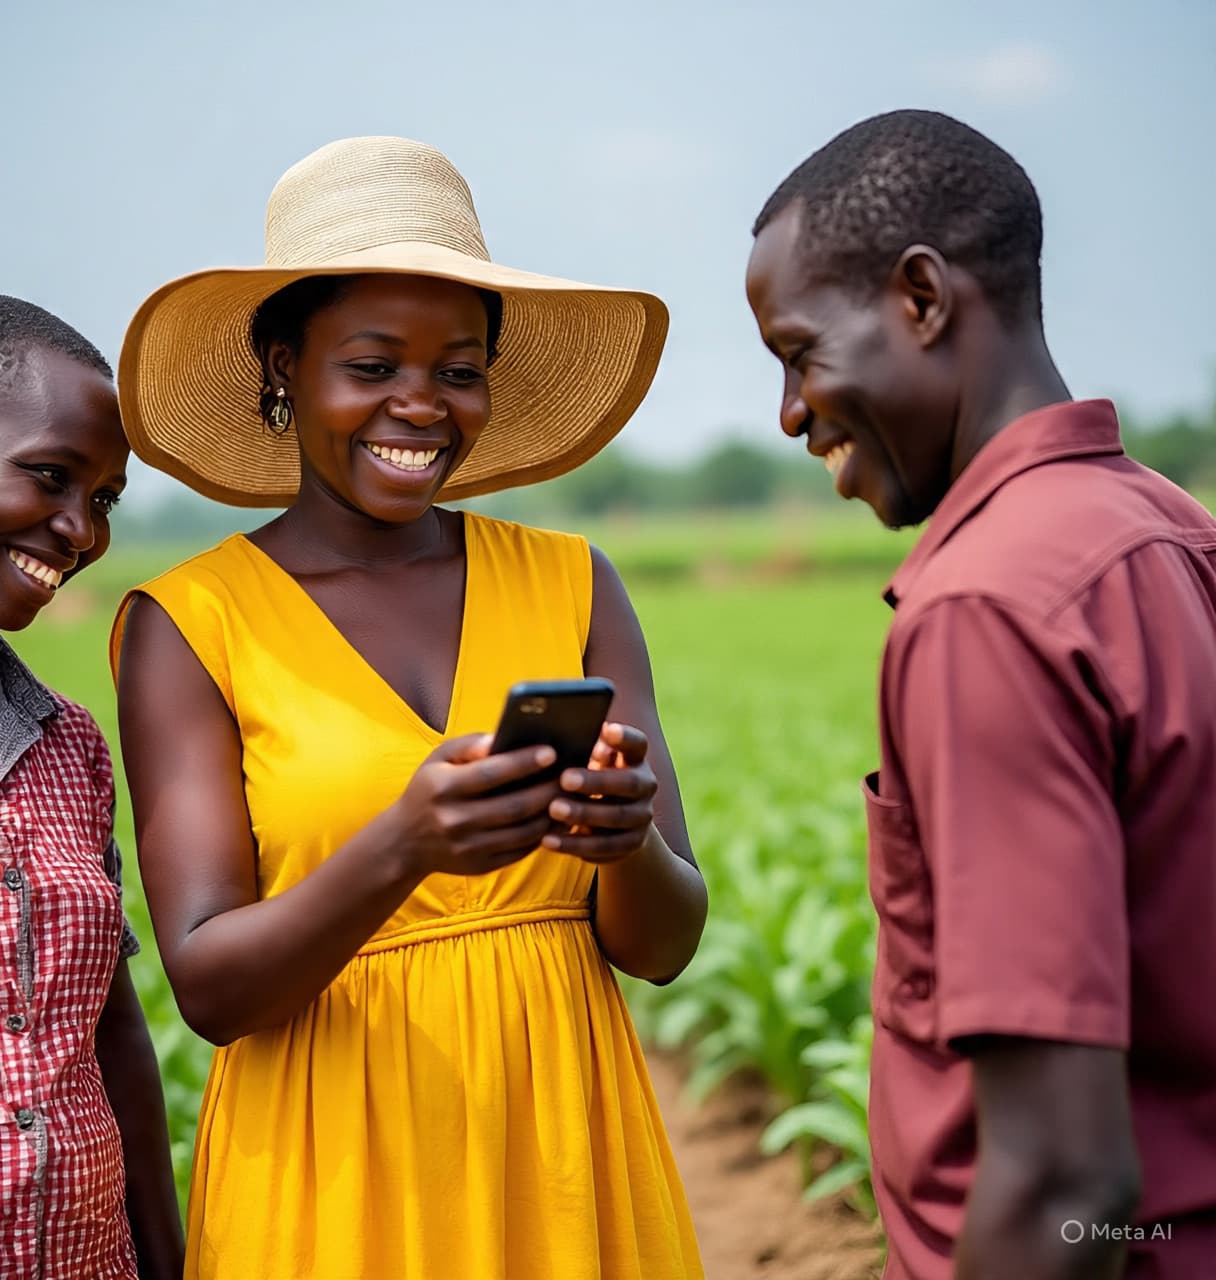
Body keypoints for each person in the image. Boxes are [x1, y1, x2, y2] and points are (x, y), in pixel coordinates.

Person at [111, 136, 707, 1279]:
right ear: (282, 364)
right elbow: (210, 986)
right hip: (330, 1179)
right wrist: (403, 842)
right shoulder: (190, 623)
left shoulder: (574, 582)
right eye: (373, 364)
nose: (420, 404)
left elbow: (665, 944)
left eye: (458, 368)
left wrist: (626, 845)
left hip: (561, 1158)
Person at [746, 110, 1216, 1280]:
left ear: (919, 298)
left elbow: (1063, 1179)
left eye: (798, 353)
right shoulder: (1169, 531)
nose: (792, 413)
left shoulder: (983, 607)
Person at [0, 294, 183, 1278]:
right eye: (49, 475)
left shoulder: (70, 746)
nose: (80, 529)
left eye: (107, 498)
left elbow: (115, 1034)